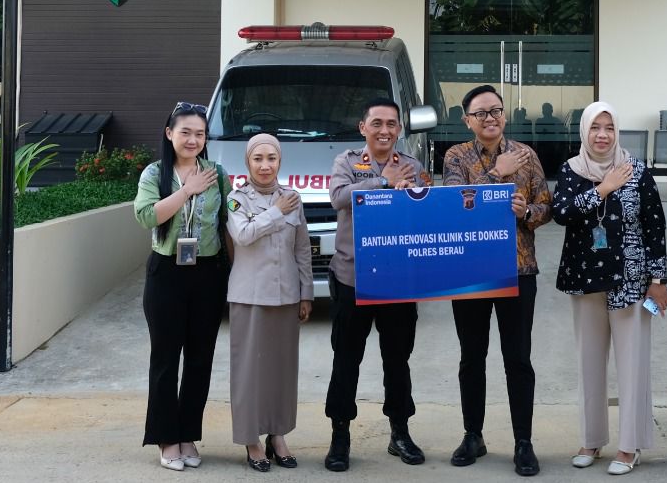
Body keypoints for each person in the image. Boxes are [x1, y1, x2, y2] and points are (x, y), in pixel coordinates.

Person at [440, 84, 552, 476]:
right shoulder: (456, 156)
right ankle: (473, 435)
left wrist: (526, 212)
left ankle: (523, 442)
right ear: (467, 120)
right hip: (470, 272)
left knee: (518, 358)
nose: (490, 118)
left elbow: (546, 205)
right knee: (472, 357)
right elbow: (457, 205)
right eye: (481, 113)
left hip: (517, 270)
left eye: (496, 110)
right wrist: (496, 173)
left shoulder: (527, 155)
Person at [551, 101, 667, 476]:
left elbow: (655, 226)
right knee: (589, 363)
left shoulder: (636, 170)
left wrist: (658, 281)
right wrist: (603, 188)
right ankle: (591, 439)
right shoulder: (571, 169)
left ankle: (629, 445)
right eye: (595, 127)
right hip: (585, 278)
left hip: (630, 280)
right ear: (584, 131)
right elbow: (561, 213)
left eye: (610, 128)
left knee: (632, 364)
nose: (602, 135)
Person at [323, 98, 434, 472]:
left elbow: (428, 213)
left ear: (399, 129)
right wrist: (383, 182)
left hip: (398, 280)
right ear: (363, 128)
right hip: (352, 278)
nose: (384, 130)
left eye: (391, 124)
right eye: (377, 123)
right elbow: (339, 197)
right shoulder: (347, 162)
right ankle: (340, 435)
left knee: (397, 360)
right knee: (346, 359)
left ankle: (399, 431)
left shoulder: (414, 167)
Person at [134, 102, 232, 472]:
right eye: (185, 132)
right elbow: (147, 216)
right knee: (165, 358)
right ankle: (166, 438)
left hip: (208, 272)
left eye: (200, 133)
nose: (193, 140)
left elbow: (228, 221)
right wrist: (187, 190)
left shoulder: (217, 173)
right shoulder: (154, 173)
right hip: (167, 273)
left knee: (200, 359)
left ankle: (188, 433)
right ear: (169, 133)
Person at [227, 134, 312, 472]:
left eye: (271, 158)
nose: (265, 165)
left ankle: (278, 435)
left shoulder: (292, 198)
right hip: (249, 296)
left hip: (286, 295)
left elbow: (302, 248)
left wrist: (306, 293)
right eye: (258, 158)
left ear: (280, 161)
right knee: (250, 372)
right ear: (248, 162)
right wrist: (276, 213)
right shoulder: (236, 199)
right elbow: (243, 235)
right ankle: (252, 440)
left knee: (282, 370)